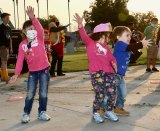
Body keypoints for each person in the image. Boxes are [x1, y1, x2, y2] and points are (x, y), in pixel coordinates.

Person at [8, 6, 51, 123]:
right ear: (24, 32)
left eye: (33, 28)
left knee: (43, 93)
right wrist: (16, 74)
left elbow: (41, 29)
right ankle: (26, 113)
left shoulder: (40, 38)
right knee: (30, 93)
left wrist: (33, 18)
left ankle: (42, 112)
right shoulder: (22, 45)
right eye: (28, 29)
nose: (32, 31)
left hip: (44, 70)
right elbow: (20, 61)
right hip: (33, 72)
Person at [74, 13, 119, 123]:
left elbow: (112, 58)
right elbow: (83, 35)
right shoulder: (90, 43)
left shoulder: (106, 48)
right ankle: (96, 112)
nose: (109, 38)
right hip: (97, 73)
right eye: (107, 35)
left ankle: (108, 111)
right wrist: (80, 24)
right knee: (100, 94)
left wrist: (114, 63)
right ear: (101, 34)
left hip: (109, 73)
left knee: (112, 93)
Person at [112, 26, 151, 115]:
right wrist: (140, 44)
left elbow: (133, 57)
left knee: (123, 93)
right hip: (114, 74)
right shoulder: (119, 44)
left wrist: (140, 49)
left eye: (130, 35)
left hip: (121, 75)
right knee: (110, 93)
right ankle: (102, 107)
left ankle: (118, 107)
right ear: (118, 37)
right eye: (127, 35)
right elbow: (130, 47)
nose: (129, 37)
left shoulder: (126, 48)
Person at [0, 12, 13, 82]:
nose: (8, 19)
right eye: (7, 18)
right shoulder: (0, 27)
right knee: (4, 62)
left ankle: (3, 76)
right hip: (2, 46)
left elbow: (10, 38)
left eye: (8, 18)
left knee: (4, 62)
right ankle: (6, 76)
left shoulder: (8, 27)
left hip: (7, 47)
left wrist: (11, 47)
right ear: (2, 18)